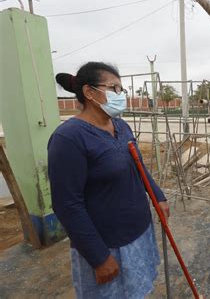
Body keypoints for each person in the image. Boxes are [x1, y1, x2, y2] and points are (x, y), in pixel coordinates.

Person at [48, 62, 169, 298]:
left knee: (137, 291)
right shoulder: (68, 138)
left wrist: (158, 195)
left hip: (137, 232)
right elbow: (67, 204)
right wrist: (98, 257)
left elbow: (138, 167)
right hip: (108, 244)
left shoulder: (120, 126)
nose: (120, 95)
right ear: (90, 93)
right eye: (114, 88)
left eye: (121, 90)